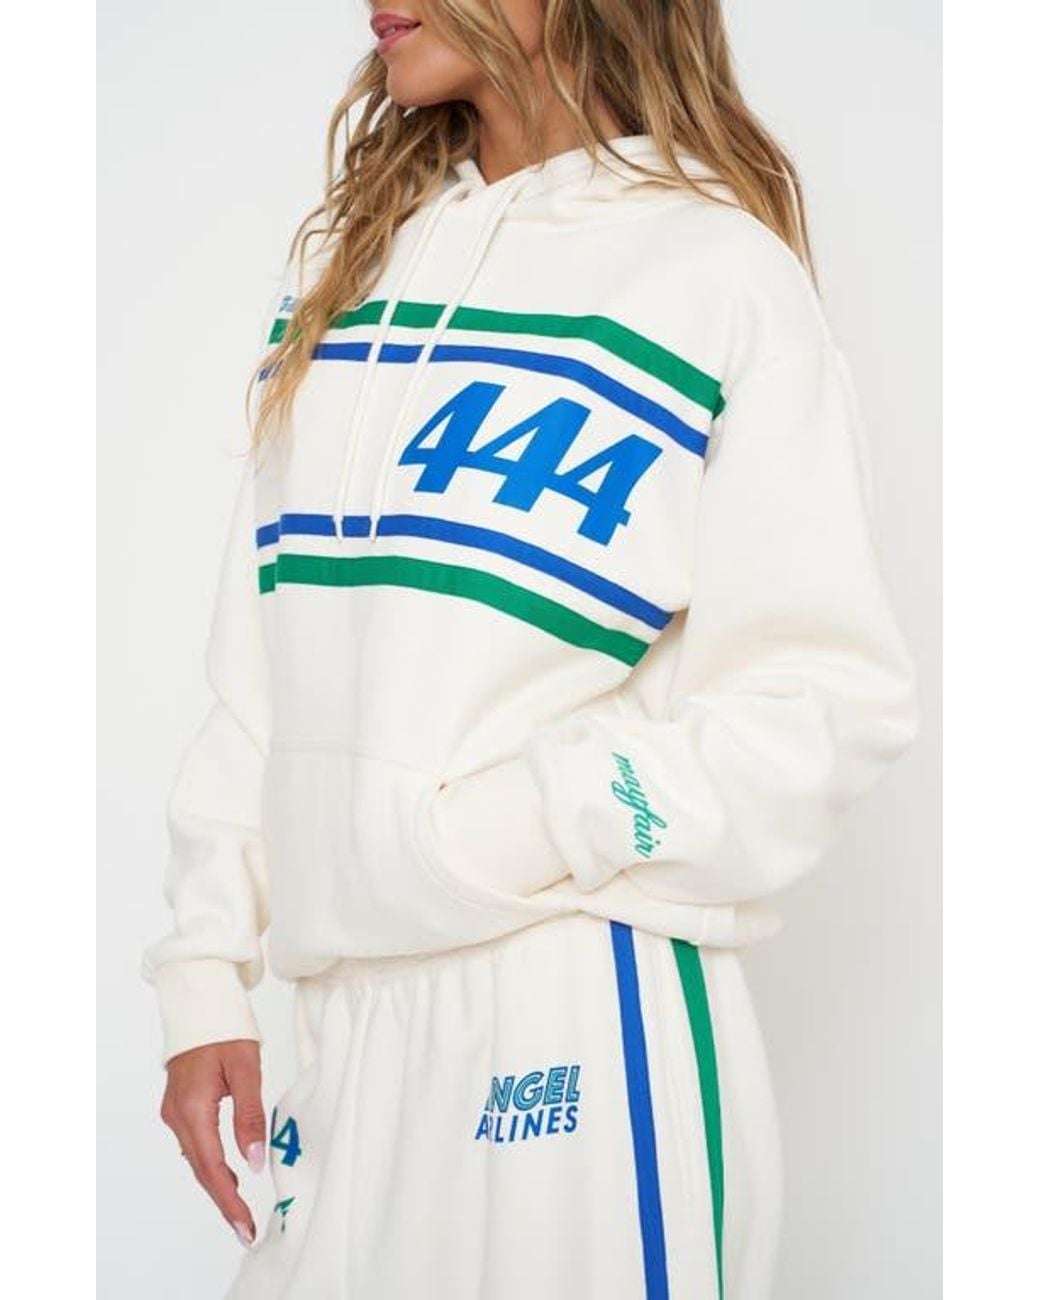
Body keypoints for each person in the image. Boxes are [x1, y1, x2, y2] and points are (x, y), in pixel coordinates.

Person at [141, 2, 919, 1296]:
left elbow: (827, 702)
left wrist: (508, 828)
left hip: (569, 999)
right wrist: (205, 974)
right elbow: (263, 651)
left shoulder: (714, 273)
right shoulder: (348, 266)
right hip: (346, 1028)